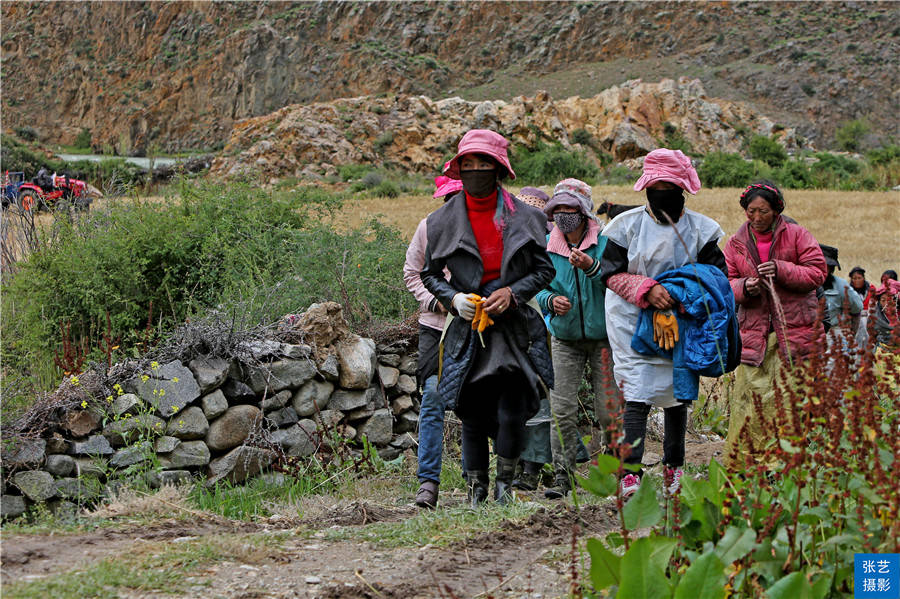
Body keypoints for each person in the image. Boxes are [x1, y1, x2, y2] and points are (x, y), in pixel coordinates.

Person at [421, 129, 555, 506]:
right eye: (469, 165)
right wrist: (455, 298)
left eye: (484, 165)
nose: (476, 171)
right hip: (468, 327)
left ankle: (504, 487)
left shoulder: (528, 217)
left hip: (514, 328)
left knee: (513, 407)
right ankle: (477, 489)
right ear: (459, 169)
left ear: (499, 170)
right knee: (472, 410)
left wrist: (513, 293)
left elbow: (545, 271)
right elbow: (429, 274)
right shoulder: (441, 221)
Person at [599, 148, 727, 497]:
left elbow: (718, 279)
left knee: (676, 395)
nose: (662, 193)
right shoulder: (624, 226)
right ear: (645, 189)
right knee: (637, 394)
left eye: (670, 187)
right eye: (656, 187)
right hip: (629, 320)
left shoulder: (703, 231)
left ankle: (674, 470)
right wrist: (646, 289)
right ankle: (631, 473)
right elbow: (609, 274)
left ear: (683, 189)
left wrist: (677, 298)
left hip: (682, 323)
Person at [722, 181, 827, 469]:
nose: (757, 218)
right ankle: (746, 465)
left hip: (793, 332)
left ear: (777, 210)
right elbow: (727, 285)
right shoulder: (735, 243)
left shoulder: (797, 235)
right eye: (751, 212)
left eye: (764, 212)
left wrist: (782, 269)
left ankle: (785, 466)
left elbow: (817, 272)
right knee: (750, 402)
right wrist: (746, 287)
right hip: (754, 333)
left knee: (788, 400)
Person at [534, 178, 617, 499]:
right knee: (562, 409)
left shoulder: (605, 244)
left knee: (609, 410)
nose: (564, 216)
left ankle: (616, 475)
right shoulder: (546, 246)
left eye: (571, 210)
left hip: (604, 339)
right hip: (565, 338)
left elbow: (615, 283)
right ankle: (561, 476)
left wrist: (593, 267)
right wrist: (550, 302)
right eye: (559, 210)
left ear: (584, 214)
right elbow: (539, 286)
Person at [402, 174, 463, 509]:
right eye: (449, 198)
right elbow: (412, 272)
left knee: (475, 399)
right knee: (434, 397)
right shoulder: (428, 228)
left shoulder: (486, 230)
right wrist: (435, 301)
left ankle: (477, 481)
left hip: (472, 326)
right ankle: (428, 484)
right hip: (435, 328)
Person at [818, 245, 863, 340]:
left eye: (826, 267)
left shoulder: (841, 286)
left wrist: (851, 335)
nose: (823, 270)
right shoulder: (804, 283)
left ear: (831, 268)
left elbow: (857, 308)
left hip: (833, 336)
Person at [849, 266, 873, 346]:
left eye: (859, 278)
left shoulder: (871, 289)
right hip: (854, 319)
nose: (857, 281)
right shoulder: (848, 291)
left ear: (864, 278)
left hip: (869, 319)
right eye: (854, 278)